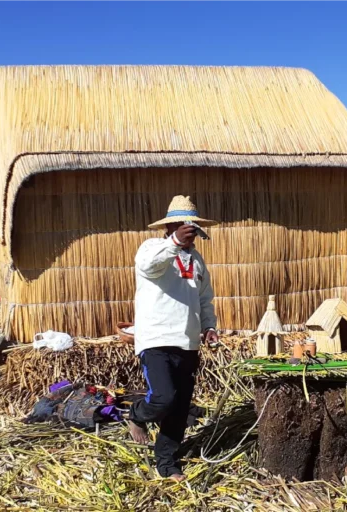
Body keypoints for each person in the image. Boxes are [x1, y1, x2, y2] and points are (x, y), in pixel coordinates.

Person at [126, 195, 218, 482]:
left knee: (179, 407)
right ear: (172, 226)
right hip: (156, 338)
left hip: (188, 341)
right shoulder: (154, 247)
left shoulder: (197, 259)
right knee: (164, 398)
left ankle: (167, 463)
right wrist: (174, 243)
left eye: (192, 228)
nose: (190, 232)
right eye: (183, 226)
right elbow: (148, 267)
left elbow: (204, 298)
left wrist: (208, 326)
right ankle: (137, 414)